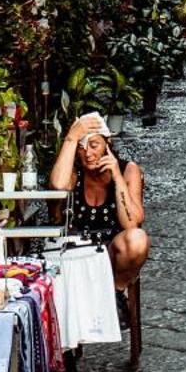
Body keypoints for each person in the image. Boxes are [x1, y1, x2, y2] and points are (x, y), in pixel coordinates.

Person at [50, 114, 148, 289]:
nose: (88, 154)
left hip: (112, 254)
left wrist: (117, 177)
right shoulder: (73, 172)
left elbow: (132, 223)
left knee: (137, 239)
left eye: (94, 145)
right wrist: (71, 138)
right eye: (81, 147)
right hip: (76, 253)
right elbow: (58, 185)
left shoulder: (127, 170)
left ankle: (116, 293)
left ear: (107, 144)